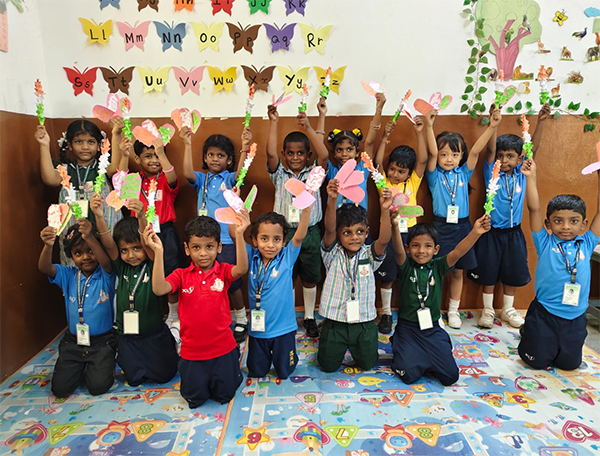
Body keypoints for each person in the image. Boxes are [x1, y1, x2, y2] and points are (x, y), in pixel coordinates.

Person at [145, 213, 250, 408]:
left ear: (219, 247)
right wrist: (158, 252)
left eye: (209, 246)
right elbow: (159, 289)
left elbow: (242, 269)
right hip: (192, 354)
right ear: (187, 249)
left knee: (225, 394)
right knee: (194, 398)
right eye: (196, 247)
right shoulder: (180, 275)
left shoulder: (224, 271)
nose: (203, 253)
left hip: (223, 350)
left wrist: (239, 234)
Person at [468, 104, 550, 328]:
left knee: (512, 271)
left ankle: (508, 309)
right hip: (491, 232)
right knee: (488, 271)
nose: (504, 160)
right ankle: (487, 310)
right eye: (501, 156)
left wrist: (541, 122)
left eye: (510, 156)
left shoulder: (522, 173)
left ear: (520, 157)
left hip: (513, 233)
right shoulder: (491, 171)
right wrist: (494, 123)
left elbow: (534, 149)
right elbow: (490, 151)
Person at [518, 158, 600, 370]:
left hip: (575, 317)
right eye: (558, 221)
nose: (565, 227)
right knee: (535, 362)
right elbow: (534, 209)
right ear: (548, 223)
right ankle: (528, 331)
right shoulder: (545, 242)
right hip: (545, 314)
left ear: (583, 224)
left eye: (573, 221)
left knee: (569, 365)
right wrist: (531, 177)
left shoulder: (587, 242)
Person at [390, 215, 491, 386]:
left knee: (450, 376)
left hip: (431, 328)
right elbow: (398, 251)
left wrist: (475, 232)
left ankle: (427, 352)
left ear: (436, 249)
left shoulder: (438, 266)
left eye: (428, 246)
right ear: (408, 248)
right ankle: (401, 344)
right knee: (409, 375)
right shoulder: (406, 266)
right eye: (415, 245)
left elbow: (457, 252)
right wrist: (394, 226)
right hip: (408, 328)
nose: (421, 250)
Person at [424, 108, 501, 329]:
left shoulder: (463, 173)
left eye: (455, 154)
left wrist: (492, 127)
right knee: (438, 272)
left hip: (463, 227)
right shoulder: (434, 174)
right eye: (444, 154)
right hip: (441, 227)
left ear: (461, 156)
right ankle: (435, 311)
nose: (449, 159)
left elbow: (476, 151)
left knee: (458, 272)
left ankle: (453, 311)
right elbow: (431, 153)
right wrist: (429, 126)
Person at [91, 193, 178, 386]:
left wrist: (141, 217)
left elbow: (148, 242)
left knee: (165, 374)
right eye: (124, 250)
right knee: (132, 378)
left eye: (136, 248)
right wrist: (99, 216)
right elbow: (108, 243)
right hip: (128, 338)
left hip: (153, 334)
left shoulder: (153, 263)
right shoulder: (121, 266)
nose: (131, 255)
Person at [181, 127, 250, 343]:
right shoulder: (201, 179)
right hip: (204, 243)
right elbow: (187, 173)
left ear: (229, 160)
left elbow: (241, 174)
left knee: (232, 282)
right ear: (204, 157)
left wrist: (245, 148)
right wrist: (187, 144)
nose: (214, 159)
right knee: (206, 282)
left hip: (227, 241)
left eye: (220, 155)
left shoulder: (229, 179)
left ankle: (241, 318)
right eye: (210, 154)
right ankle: (214, 318)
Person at [266, 104, 329, 338]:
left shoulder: (315, 174)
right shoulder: (279, 174)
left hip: (311, 232)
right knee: (286, 277)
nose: (295, 157)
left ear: (308, 155)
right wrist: (274, 122)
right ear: (284, 154)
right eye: (290, 153)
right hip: (284, 235)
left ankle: (310, 317)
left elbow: (324, 155)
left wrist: (309, 127)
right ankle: (289, 316)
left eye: (300, 153)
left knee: (311, 277)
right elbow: (270, 154)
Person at [317, 179, 392, 372]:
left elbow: (384, 240)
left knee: (368, 365)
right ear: (339, 234)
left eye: (359, 231)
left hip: (364, 322)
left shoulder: (369, 254)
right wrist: (332, 199)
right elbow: (329, 229)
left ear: (367, 232)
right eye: (347, 232)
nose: (354, 237)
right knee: (327, 366)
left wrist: (385, 210)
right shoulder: (332, 253)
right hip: (335, 322)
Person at [116, 136, 184, 347]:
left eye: (157, 156)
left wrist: (161, 152)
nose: (154, 160)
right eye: (148, 156)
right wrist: (124, 155)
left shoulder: (164, 178)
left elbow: (173, 177)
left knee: (170, 271)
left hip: (165, 232)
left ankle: (173, 314)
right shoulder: (133, 180)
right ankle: (149, 312)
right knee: (145, 274)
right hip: (139, 233)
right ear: (138, 159)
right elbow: (119, 181)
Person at [38, 220, 117, 397]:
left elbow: (106, 262)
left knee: (98, 387)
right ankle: (81, 366)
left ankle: (104, 363)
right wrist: (48, 246)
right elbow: (44, 267)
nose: (86, 257)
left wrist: (89, 237)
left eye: (91, 251)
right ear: (71, 256)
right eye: (78, 253)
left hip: (102, 342)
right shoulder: (69, 275)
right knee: (60, 390)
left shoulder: (106, 274)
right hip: (74, 342)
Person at [372, 96, 428, 334]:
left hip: (409, 234)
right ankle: (385, 313)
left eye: (401, 171)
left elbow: (423, 160)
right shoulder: (383, 183)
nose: (395, 174)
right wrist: (384, 137)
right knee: (387, 275)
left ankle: (411, 310)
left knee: (410, 274)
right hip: (387, 233)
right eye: (393, 168)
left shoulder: (413, 182)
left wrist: (419, 133)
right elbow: (376, 162)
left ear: (409, 173)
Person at [35, 119, 124, 264]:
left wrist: (116, 134)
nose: (85, 147)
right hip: (75, 233)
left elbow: (116, 167)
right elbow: (49, 179)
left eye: (91, 142)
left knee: (107, 266)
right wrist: (44, 145)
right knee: (75, 264)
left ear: (99, 145)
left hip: (104, 230)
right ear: (69, 145)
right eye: (78, 142)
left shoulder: (103, 167)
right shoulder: (65, 170)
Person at [244, 205, 311, 379]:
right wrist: (237, 217)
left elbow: (299, 236)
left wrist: (306, 211)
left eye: (276, 239)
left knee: (284, 372)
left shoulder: (287, 257)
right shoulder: (251, 256)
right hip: (258, 330)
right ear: (255, 240)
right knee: (257, 372)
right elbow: (234, 236)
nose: (270, 245)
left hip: (284, 330)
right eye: (264, 239)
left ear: (284, 241)